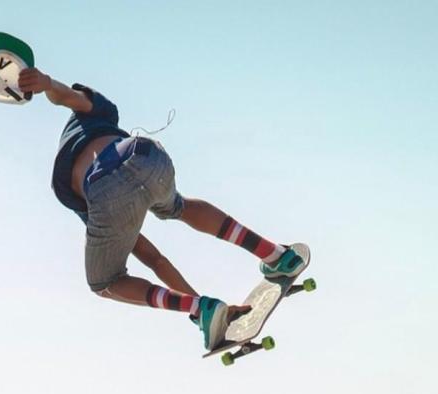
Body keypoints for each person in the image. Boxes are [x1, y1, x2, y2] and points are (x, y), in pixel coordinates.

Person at [17, 68, 307, 350]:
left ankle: (200, 307)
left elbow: (66, 95)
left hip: (102, 189)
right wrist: (206, 314)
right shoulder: (101, 114)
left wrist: (198, 307)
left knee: (104, 282)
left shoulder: (68, 186)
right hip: (146, 154)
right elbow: (69, 97)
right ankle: (277, 255)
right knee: (178, 206)